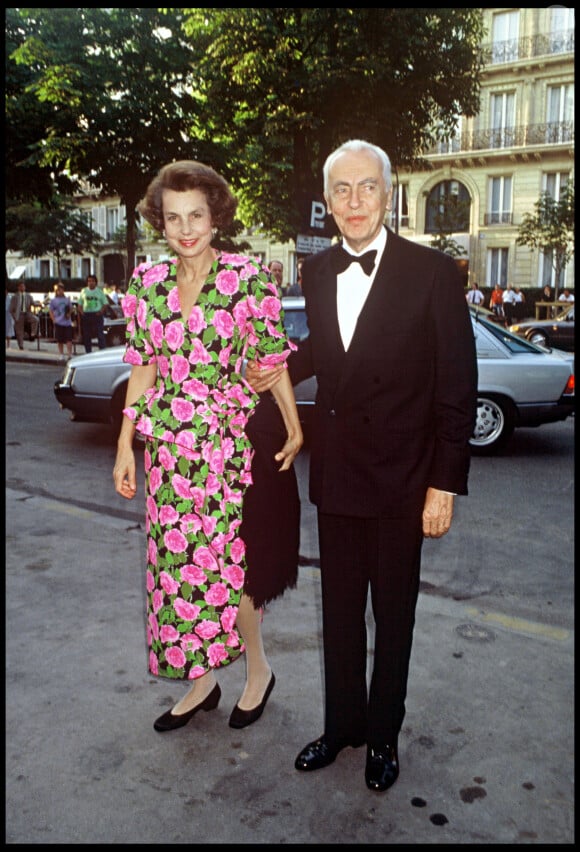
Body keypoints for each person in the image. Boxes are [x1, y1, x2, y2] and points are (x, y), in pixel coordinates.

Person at [247, 139, 477, 793]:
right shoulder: (317, 272)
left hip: (406, 480)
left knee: (393, 617)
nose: (354, 202)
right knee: (341, 612)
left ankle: (383, 736)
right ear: (327, 202)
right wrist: (277, 367)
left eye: (366, 187)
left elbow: (457, 386)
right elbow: (331, 346)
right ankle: (342, 726)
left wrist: (443, 485)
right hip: (339, 473)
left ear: (388, 192)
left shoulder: (432, 273)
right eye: (341, 190)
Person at [112, 160, 303, 734]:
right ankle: (202, 682)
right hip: (169, 452)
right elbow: (142, 368)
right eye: (173, 218)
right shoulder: (146, 285)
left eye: (196, 214)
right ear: (160, 223)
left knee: (232, 569)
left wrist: (295, 427)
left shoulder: (248, 279)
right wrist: (126, 444)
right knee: (176, 570)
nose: (186, 228)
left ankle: (258, 671)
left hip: (230, 449)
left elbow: (271, 363)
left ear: (215, 215)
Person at [78, 274, 108, 352]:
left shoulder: (99, 292)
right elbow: (80, 304)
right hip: (87, 315)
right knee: (87, 335)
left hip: (96, 315)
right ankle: (88, 352)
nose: (91, 283)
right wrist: (82, 312)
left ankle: (102, 351)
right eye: (89, 281)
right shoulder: (84, 291)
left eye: (92, 281)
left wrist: (101, 312)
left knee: (100, 334)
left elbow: (105, 303)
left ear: (95, 282)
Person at [49, 282, 74, 361]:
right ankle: (61, 354)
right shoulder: (53, 301)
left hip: (67, 322)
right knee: (60, 339)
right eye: (57, 290)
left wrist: (69, 314)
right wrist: (53, 320)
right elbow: (51, 311)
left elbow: (71, 308)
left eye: (61, 289)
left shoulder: (67, 300)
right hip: (58, 321)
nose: (59, 291)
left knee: (68, 339)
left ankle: (69, 353)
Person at [10, 281, 39, 349]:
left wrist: (39, 304)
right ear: (18, 287)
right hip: (19, 314)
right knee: (19, 331)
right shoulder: (15, 297)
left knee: (35, 319)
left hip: (27, 313)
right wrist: (14, 316)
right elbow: (11, 309)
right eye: (21, 286)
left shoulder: (28, 296)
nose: (22, 288)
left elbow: (33, 303)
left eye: (23, 286)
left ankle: (33, 333)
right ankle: (21, 345)